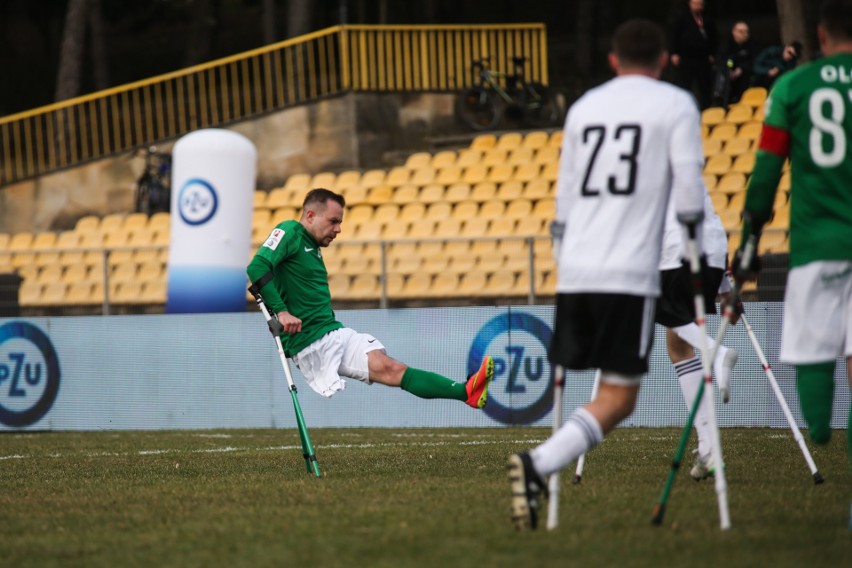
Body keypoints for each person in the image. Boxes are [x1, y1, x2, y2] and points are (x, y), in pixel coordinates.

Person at [507, 19, 706, 531]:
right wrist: (696, 257)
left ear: (613, 61)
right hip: (628, 270)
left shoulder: (584, 108)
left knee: (569, 381)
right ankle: (540, 463)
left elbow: (564, 198)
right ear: (664, 61)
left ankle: (541, 466)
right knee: (619, 396)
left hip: (576, 266)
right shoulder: (675, 105)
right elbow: (689, 195)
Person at [734, 0, 852, 524]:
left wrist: (749, 238)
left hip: (816, 248)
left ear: (822, 34)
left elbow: (764, 174)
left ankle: (822, 429)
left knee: (815, 366)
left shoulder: (792, 87)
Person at [246, 188, 495, 409]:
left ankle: (466, 392)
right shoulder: (290, 231)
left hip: (331, 332)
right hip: (312, 342)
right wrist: (281, 312)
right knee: (389, 369)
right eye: (333, 221)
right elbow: (257, 267)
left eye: (340, 222)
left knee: (391, 367)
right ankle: (466, 392)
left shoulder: (313, 248)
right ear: (310, 215)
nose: (338, 229)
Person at [657, 188, 739, 481]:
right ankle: (708, 448)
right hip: (714, 251)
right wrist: (727, 290)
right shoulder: (688, 160)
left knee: (648, 310)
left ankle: (717, 354)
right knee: (677, 344)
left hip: (676, 251)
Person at [670, 0, 718, 109]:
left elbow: (714, 39)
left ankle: (706, 110)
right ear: (690, 4)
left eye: (700, 4)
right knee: (685, 85)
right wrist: (674, 53)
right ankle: (683, 108)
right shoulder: (682, 19)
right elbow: (674, 36)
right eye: (695, 3)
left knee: (705, 87)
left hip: (703, 58)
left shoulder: (707, 20)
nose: (698, 6)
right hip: (686, 58)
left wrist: (712, 54)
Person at [713, 20, 756, 105]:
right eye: (741, 31)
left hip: (746, 79)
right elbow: (727, 61)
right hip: (729, 81)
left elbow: (753, 61)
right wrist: (730, 69)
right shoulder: (726, 47)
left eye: (746, 32)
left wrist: (741, 69)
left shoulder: (752, 46)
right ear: (734, 32)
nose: (744, 34)